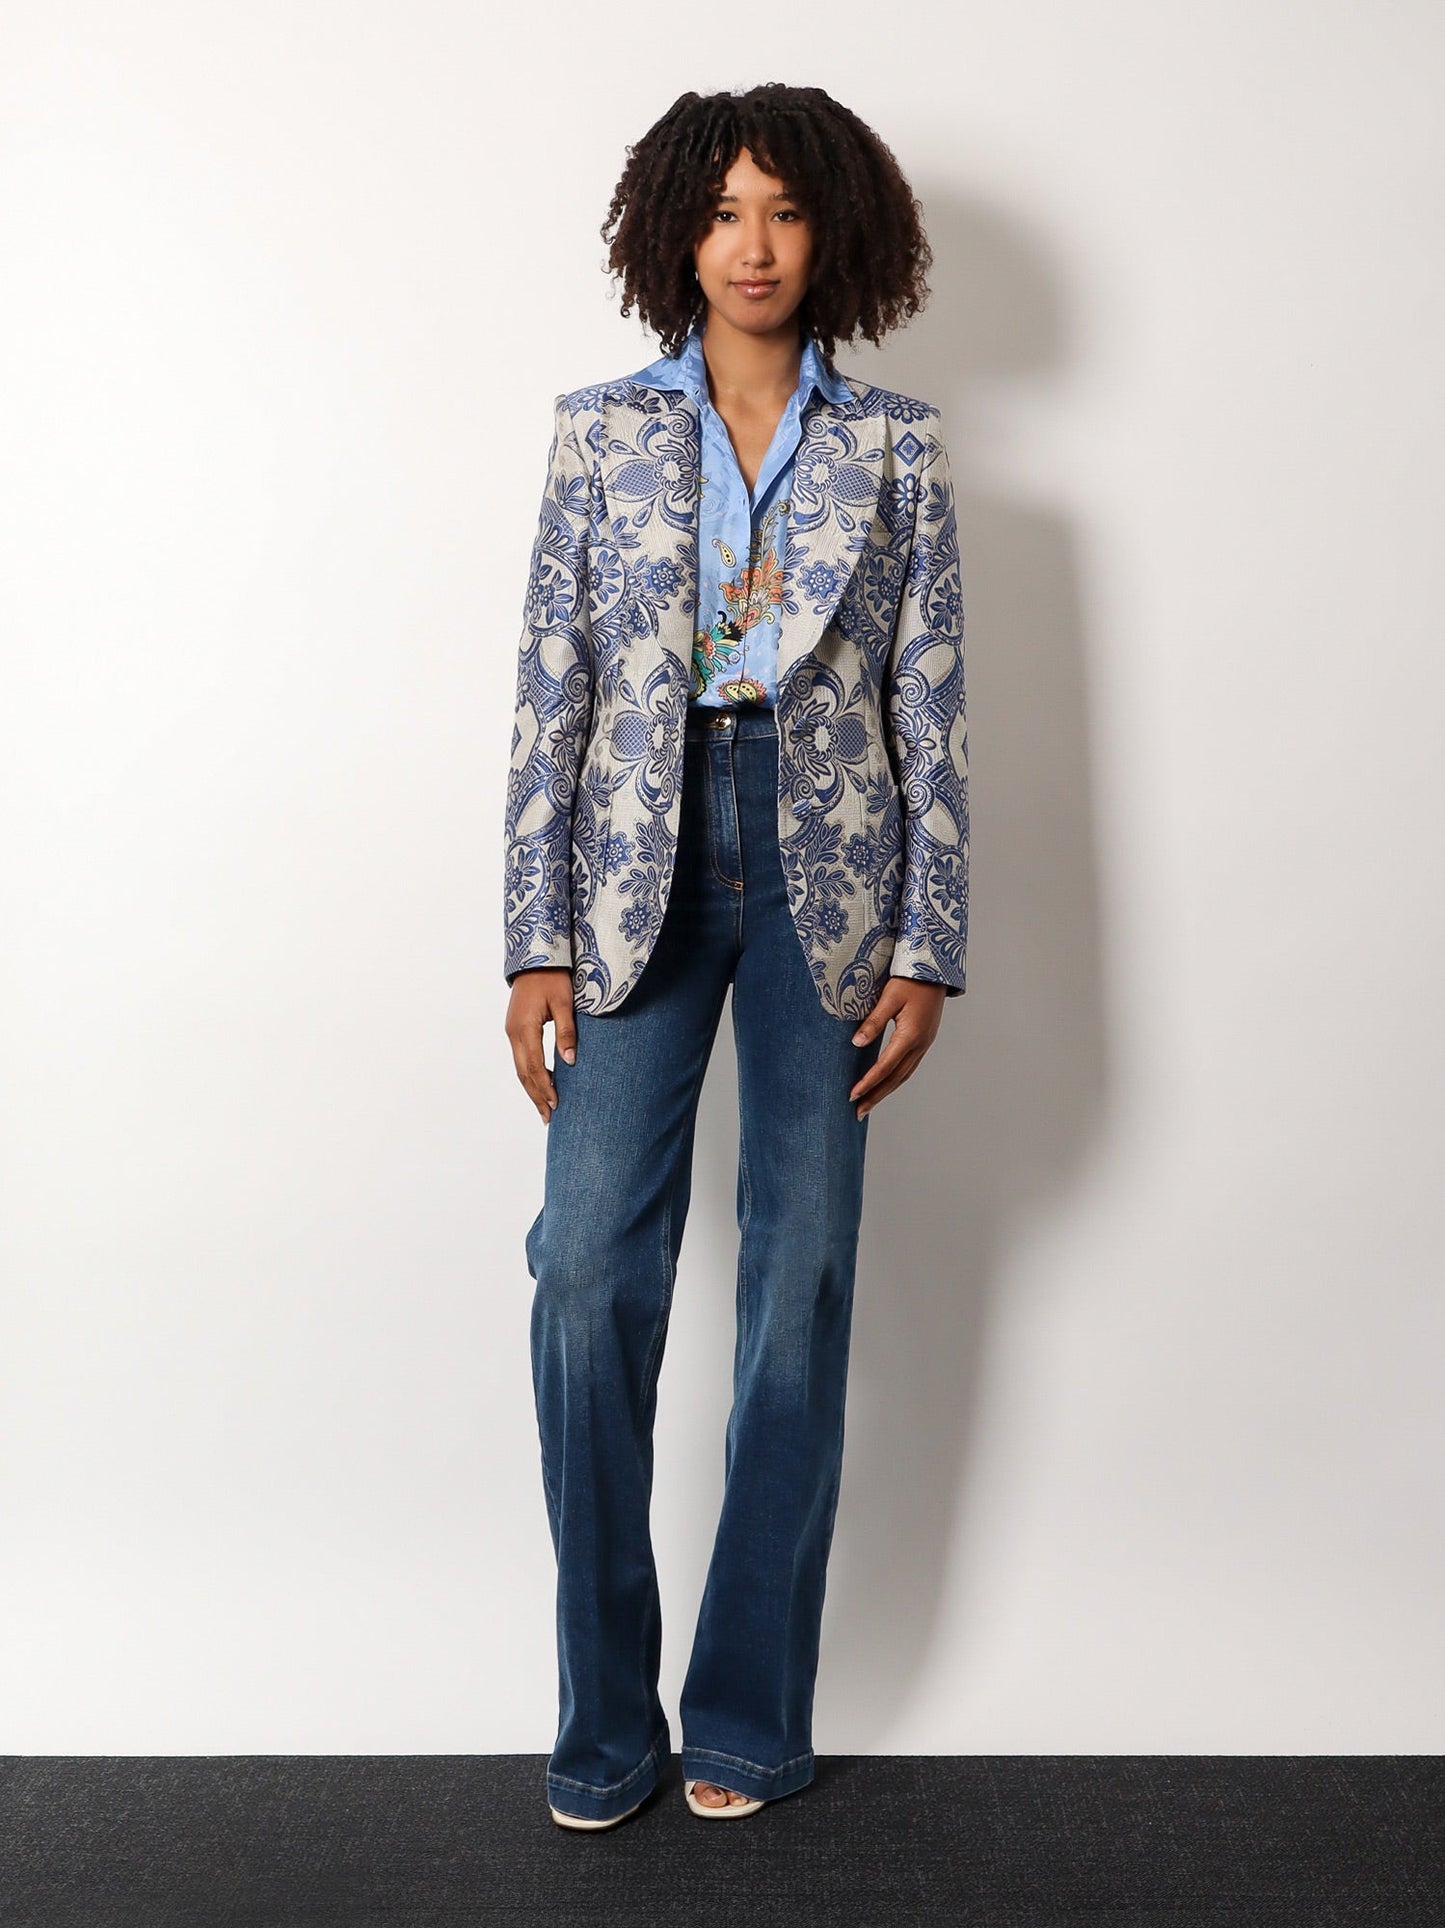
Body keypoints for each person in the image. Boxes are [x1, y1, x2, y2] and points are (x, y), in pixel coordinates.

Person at [502, 82, 968, 1829]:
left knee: (799, 1286)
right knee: (584, 1277)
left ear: (832, 228)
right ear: (673, 236)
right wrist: (532, 940)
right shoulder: (597, 433)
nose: (752, 246)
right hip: (633, 863)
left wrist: (928, 940)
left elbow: (930, 708)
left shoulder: (897, 445)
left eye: (781, 211)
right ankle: (602, 1720)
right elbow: (550, 693)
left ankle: (749, 1719)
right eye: (720, 213)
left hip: (828, 878)